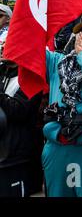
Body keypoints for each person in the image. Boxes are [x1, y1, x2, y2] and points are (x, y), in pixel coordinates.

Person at [42, 23, 82, 197]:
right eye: (77, 33)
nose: (81, 37)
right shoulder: (58, 61)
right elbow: (28, 48)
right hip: (56, 147)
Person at [0, 56, 42, 197]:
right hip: (4, 151)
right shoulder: (3, 71)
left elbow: (19, 110)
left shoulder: (32, 76)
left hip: (19, 156)